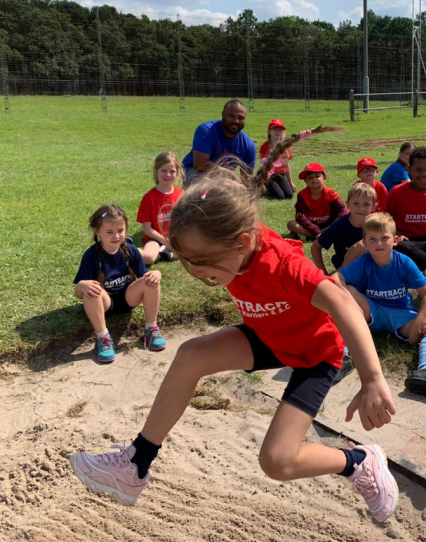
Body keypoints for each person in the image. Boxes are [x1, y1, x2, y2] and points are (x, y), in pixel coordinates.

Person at [69, 170, 399, 523]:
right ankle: (135, 464)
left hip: (314, 353)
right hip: (269, 335)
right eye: (186, 260)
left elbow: (342, 303)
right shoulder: (227, 247)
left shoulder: (282, 264)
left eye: (200, 261)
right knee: (191, 355)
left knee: (278, 461)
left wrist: (372, 379)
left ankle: (359, 462)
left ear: (241, 244)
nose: (193, 271)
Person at [335, 213, 426, 399]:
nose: (379, 244)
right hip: (369, 312)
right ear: (365, 243)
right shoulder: (363, 262)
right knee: (348, 290)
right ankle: (342, 358)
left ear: (394, 240)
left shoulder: (404, 262)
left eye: (384, 238)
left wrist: (418, 324)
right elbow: (337, 279)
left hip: (400, 314)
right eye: (373, 239)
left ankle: (425, 371)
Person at [73, 204, 166, 363]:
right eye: (109, 232)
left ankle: (151, 329)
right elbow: (78, 293)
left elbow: (145, 277)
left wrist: (157, 273)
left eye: (120, 231)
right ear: (97, 232)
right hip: (104, 303)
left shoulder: (131, 250)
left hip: (129, 298)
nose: (116, 236)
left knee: (151, 281)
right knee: (92, 289)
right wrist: (82, 286)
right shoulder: (91, 255)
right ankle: (103, 338)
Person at [181, 99, 256, 187]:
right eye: (232, 116)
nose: (236, 121)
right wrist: (230, 175)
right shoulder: (206, 130)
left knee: (237, 190)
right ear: (223, 114)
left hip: (223, 179)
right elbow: (200, 164)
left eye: (241, 118)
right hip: (194, 172)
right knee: (214, 186)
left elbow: (246, 179)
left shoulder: (248, 145)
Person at [312, 182, 376, 275]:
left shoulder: (377, 225)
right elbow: (315, 247)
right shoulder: (339, 225)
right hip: (346, 269)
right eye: (356, 204)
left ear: (374, 206)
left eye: (366, 204)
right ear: (348, 204)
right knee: (361, 246)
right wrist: (324, 274)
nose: (361, 208)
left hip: (372, 267)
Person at [136, 152, 185, 265]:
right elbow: (147, 229)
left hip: (176, 237)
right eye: (163, 170)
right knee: (148, 258)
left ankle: (165, 255)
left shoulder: (182, 195)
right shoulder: (149, 198)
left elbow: (186, 222)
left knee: (196, 250)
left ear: (177, 173)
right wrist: (165, 241)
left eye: (172, 171)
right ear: (156, 171)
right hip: (156, 238)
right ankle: (126, 249)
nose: (168, 175)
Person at [287, 162, 348, 240]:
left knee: (346, 219)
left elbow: (343, 211)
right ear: (305, 181)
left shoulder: (330, 194)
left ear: (324, 178)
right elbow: (300, 217)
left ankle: (318, 235)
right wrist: (315, 230)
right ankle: (320, 235)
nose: (314, 179)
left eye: (317, 176)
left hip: (328, 225)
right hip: (310, 226)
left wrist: (328, 228)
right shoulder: (302, 195)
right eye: (310, 177)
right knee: (291, 224)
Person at [260, 118, 296, 200]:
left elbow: (287, 165)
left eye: (280, 130)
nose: (278, 132)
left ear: (283, 132)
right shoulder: (265, 146)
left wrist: (290, 182)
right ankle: (268, 190)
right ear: (269, 132)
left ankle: (277, 188)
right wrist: (261, 184)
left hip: (281, 176)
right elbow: (262, 166)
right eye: (275, 130)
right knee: (280, 196)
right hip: (269, 177)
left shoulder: (285, 146)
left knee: (289, 195)